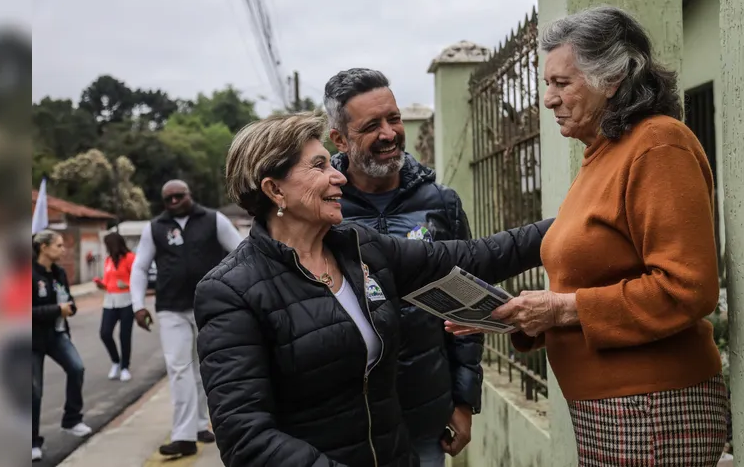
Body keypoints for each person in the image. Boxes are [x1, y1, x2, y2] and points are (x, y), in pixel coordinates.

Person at [446, 6, 729, 466]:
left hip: (652, 410)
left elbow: (688, 288)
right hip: (616, 411)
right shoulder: (602, 154)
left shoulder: (658, 145)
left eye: (562, 83)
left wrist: (559, 310)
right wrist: (519, 317)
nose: (548, 100)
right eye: (547, 85)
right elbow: (590, 286)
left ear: (612, 79)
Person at [194, 112, 551, 467]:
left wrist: (574, 223)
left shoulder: (361, 248)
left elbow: (477, 256)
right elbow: (245, 438)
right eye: (319, 166)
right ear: (274, 189)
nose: (338, 176)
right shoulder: (230, 291)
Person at [324, 68, 483, 464]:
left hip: (425, 414)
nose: (389, 134)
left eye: (393, 118)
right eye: (371, 125)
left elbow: (465, 304)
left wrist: (464, 401)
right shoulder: (323, 208)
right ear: (340, 139)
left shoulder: (441, 204)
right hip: (345, 423)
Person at [129, 180, 243, 457]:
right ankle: (184, 436)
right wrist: (137, 305)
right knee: (179, 368)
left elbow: (242, 252)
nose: (174, 202)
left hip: (210, 305)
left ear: (190, 195)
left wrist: (239, 293)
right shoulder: (155, 227)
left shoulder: (214, 220)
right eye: (168, 199)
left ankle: (201, 424)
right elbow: (140, 267)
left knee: (204, 368)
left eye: (179, 196)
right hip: (171, 308)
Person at [32, 230, 91, 462]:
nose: (63, 249)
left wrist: (70, 308)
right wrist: (57, 310)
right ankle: (32, 441)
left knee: (77, 368)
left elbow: (69, 301)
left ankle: (72, 420)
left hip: (57, 335)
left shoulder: (59, 273)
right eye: (58, 245)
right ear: (43, 247)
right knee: (33, 391)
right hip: (32, 340)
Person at [95, 232, 136, 382]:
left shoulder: (130, 258)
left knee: (124, 336)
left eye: (107, 244)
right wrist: (101, 284)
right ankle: (116, 361)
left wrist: (128, 284)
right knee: (105, 333)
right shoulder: (108, 260)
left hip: (126, 301)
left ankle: (125, 367)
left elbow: (138, 279)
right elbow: (107, 282)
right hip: (110, 301)